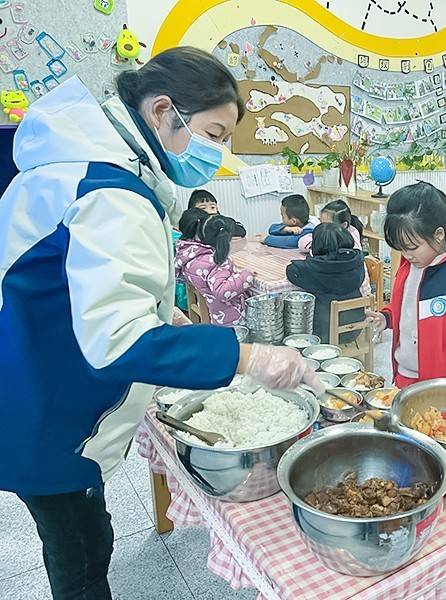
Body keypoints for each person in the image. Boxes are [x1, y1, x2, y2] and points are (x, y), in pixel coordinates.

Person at [0, 47, 321, 600]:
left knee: (85, 536)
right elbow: (116, 344)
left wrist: (156, 307)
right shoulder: (109, 194)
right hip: (50, 410)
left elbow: (75, 283)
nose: (215, 154)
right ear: (162, 111)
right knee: (79, 558)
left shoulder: (81, 163)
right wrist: (248, 356)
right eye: (213, 133)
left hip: (31, 374)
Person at [366, 182, 446, 387]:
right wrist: (387, 317)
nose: (407, 255)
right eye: (401, 248)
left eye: (412, 247)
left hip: (443, 386)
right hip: (404, 375)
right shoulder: (408, 267)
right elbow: (408, 307)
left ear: (438, 235)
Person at [286, 223, 366, 344]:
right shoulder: (357, 260)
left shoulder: (314, 268)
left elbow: (291, 270)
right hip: (355, 326)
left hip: (323, 332)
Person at [175, 208, 254, 326]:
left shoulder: (187, 253)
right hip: (232, 317)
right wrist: (246, 276)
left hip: (216, 313)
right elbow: (222, 292)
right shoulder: (214, 261)